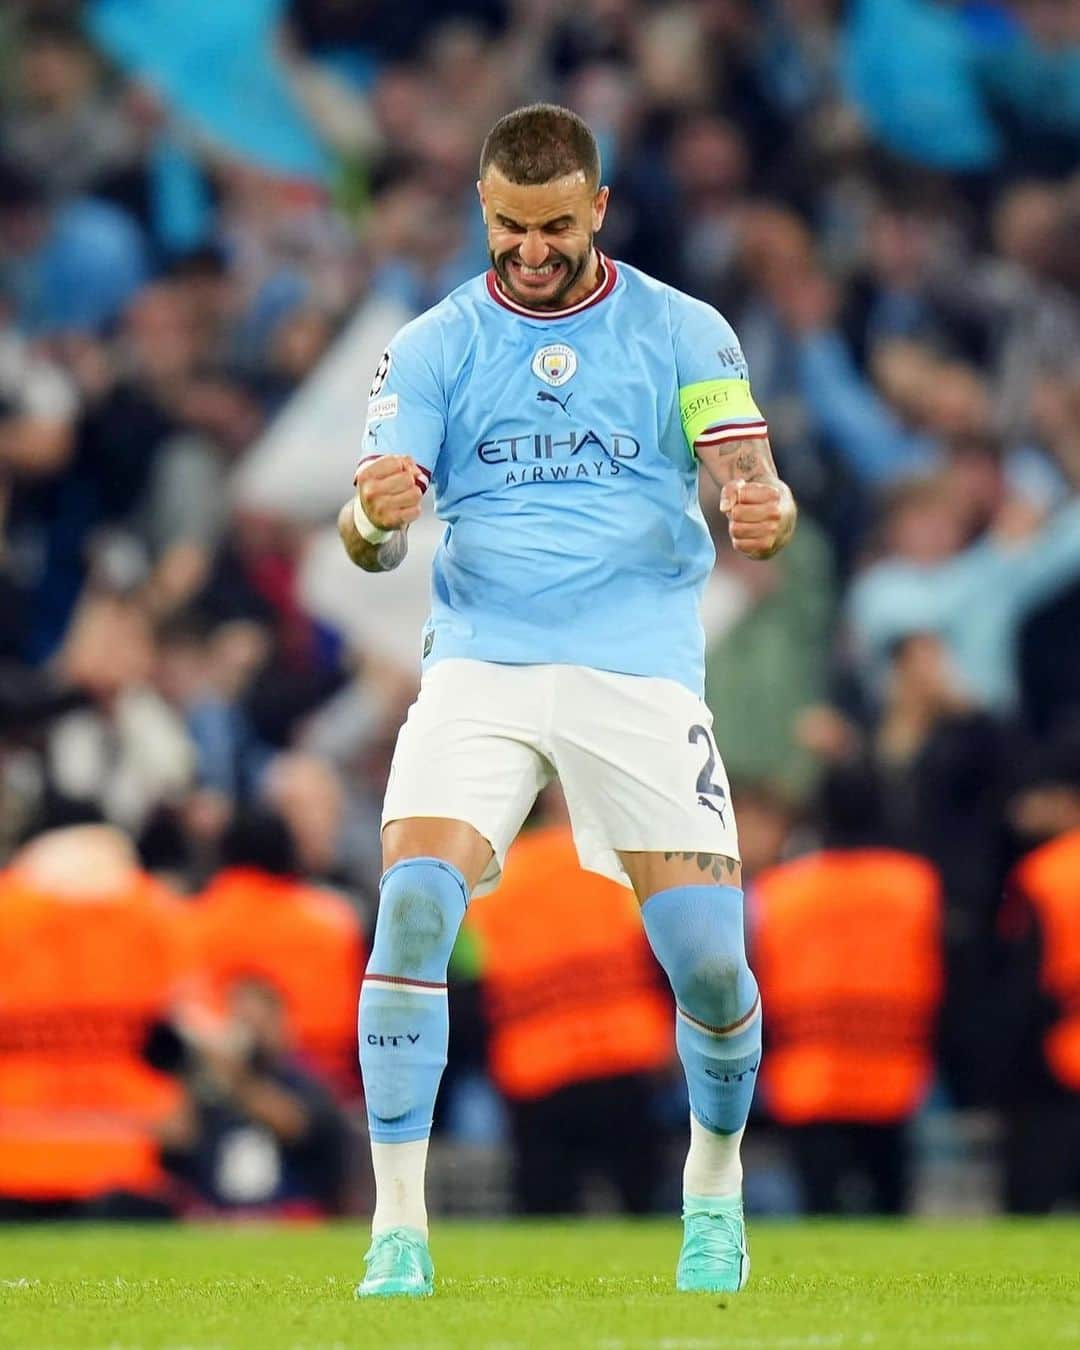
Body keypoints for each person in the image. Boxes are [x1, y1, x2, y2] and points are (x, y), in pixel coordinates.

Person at [337, 103, 796, 1298]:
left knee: (708, 968)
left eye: (553, 226)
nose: (529, 250)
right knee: (414, 911)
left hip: (637, 668)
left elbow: (746, 472)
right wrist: (372, 519)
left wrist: (765, 506)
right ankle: (398, 1234)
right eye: (506, 227)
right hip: (481, 663)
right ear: (480, 213)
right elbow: (369, 540)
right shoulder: (434, 344)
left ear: (597, 209)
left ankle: (712, 1193)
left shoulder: (684, 329)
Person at [457, 789, 674, 1215]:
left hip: (536, 1072)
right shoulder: (612, 864)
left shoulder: (480, 888)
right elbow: (662, 952)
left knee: (546, 1216)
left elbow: (468, 994)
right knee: (645, 1208)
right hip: (626, 1057)